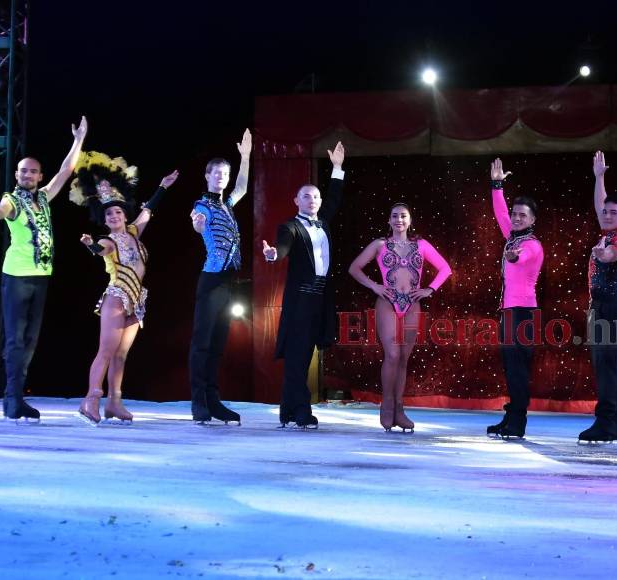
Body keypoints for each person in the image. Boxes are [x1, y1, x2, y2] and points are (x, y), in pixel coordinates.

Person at [0, 116, 88, 422]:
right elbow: (0, 212)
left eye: (33, 171)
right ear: (17, 175)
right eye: (23, 171)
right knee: (15, 339)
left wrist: (78, 141)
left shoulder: (44, 197)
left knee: (30, 340)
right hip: (17, 276)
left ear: (38, 175)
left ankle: (18, 397)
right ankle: (11, 399)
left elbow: (66, 171)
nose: (28, 175)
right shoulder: (12, 199)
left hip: (41, 277)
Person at [71, 151, 179, 424]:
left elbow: (148, 210)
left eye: (118, 211)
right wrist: (90, 245)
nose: (115, 215)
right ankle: (91, 400)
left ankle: (114, 403)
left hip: (136, 300)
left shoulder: (133, 232)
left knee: (121, 354)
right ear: (105, 219)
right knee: (106, 350)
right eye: (110, 213)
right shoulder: (109, 241)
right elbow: (99, 249)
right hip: (117, 296)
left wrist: (163, 186)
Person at [262, 142, 346, 429]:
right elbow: (282, 248)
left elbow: (335, 197)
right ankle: (301, 410)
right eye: (306, 196)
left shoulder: (323, 222)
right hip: (300, 297)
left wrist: (336, 168)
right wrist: (274, 254)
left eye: (316, 196)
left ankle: (287, 410)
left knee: (306, 353)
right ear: (296, 200)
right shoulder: (290, 227)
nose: (312, 200)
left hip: (321, 297)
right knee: (298, 355)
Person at [348, 203, 452, 432]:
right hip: (387, 302)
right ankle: (386, 406)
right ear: (388, 220)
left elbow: (445, 268)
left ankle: (399, 409)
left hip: (413, 304)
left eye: (403, 216)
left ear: (410, 220)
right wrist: (374, 286)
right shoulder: (380, 245)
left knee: (404, 358)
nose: (399, 220)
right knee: (393, 354)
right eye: (394, 216)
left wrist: (430, 289)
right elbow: (354, 268)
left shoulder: (421, 245)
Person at [188, 129, 252, 424]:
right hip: (212, 279)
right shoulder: (203, 206)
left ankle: (213, 400)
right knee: (202, 343)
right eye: (216, 173)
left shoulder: (226, 204)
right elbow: (197, 223)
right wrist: (198, 225)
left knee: (218, 344)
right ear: (207, 176)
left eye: (225, 174)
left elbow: (242, 187)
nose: (221, 178)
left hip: (228, 282)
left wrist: (246, 156)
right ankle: (198, 401)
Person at [578, 151, 617, 443]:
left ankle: (607, 424)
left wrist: (604, 255)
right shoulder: (608, 232)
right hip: (604, 308)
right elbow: (601, 205)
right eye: (605, 212)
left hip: (610, 309)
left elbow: (613, 255)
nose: (607, 215)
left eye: (614, 212)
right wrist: (599, 177)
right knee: (611, 368)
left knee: (607, 369)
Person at [485, 158, 543, 439]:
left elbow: (524, 256)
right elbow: (499, 214)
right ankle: (511, 416)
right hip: (510, 311)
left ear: (533, 219)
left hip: (523, 313)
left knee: (518, 368)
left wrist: (514, 256)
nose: (516, 218)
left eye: (523, 215)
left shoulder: (531, 244)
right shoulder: (513, 236)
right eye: (515, 213)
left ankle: (518, 422)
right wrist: (497, 186)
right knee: (511, 367)